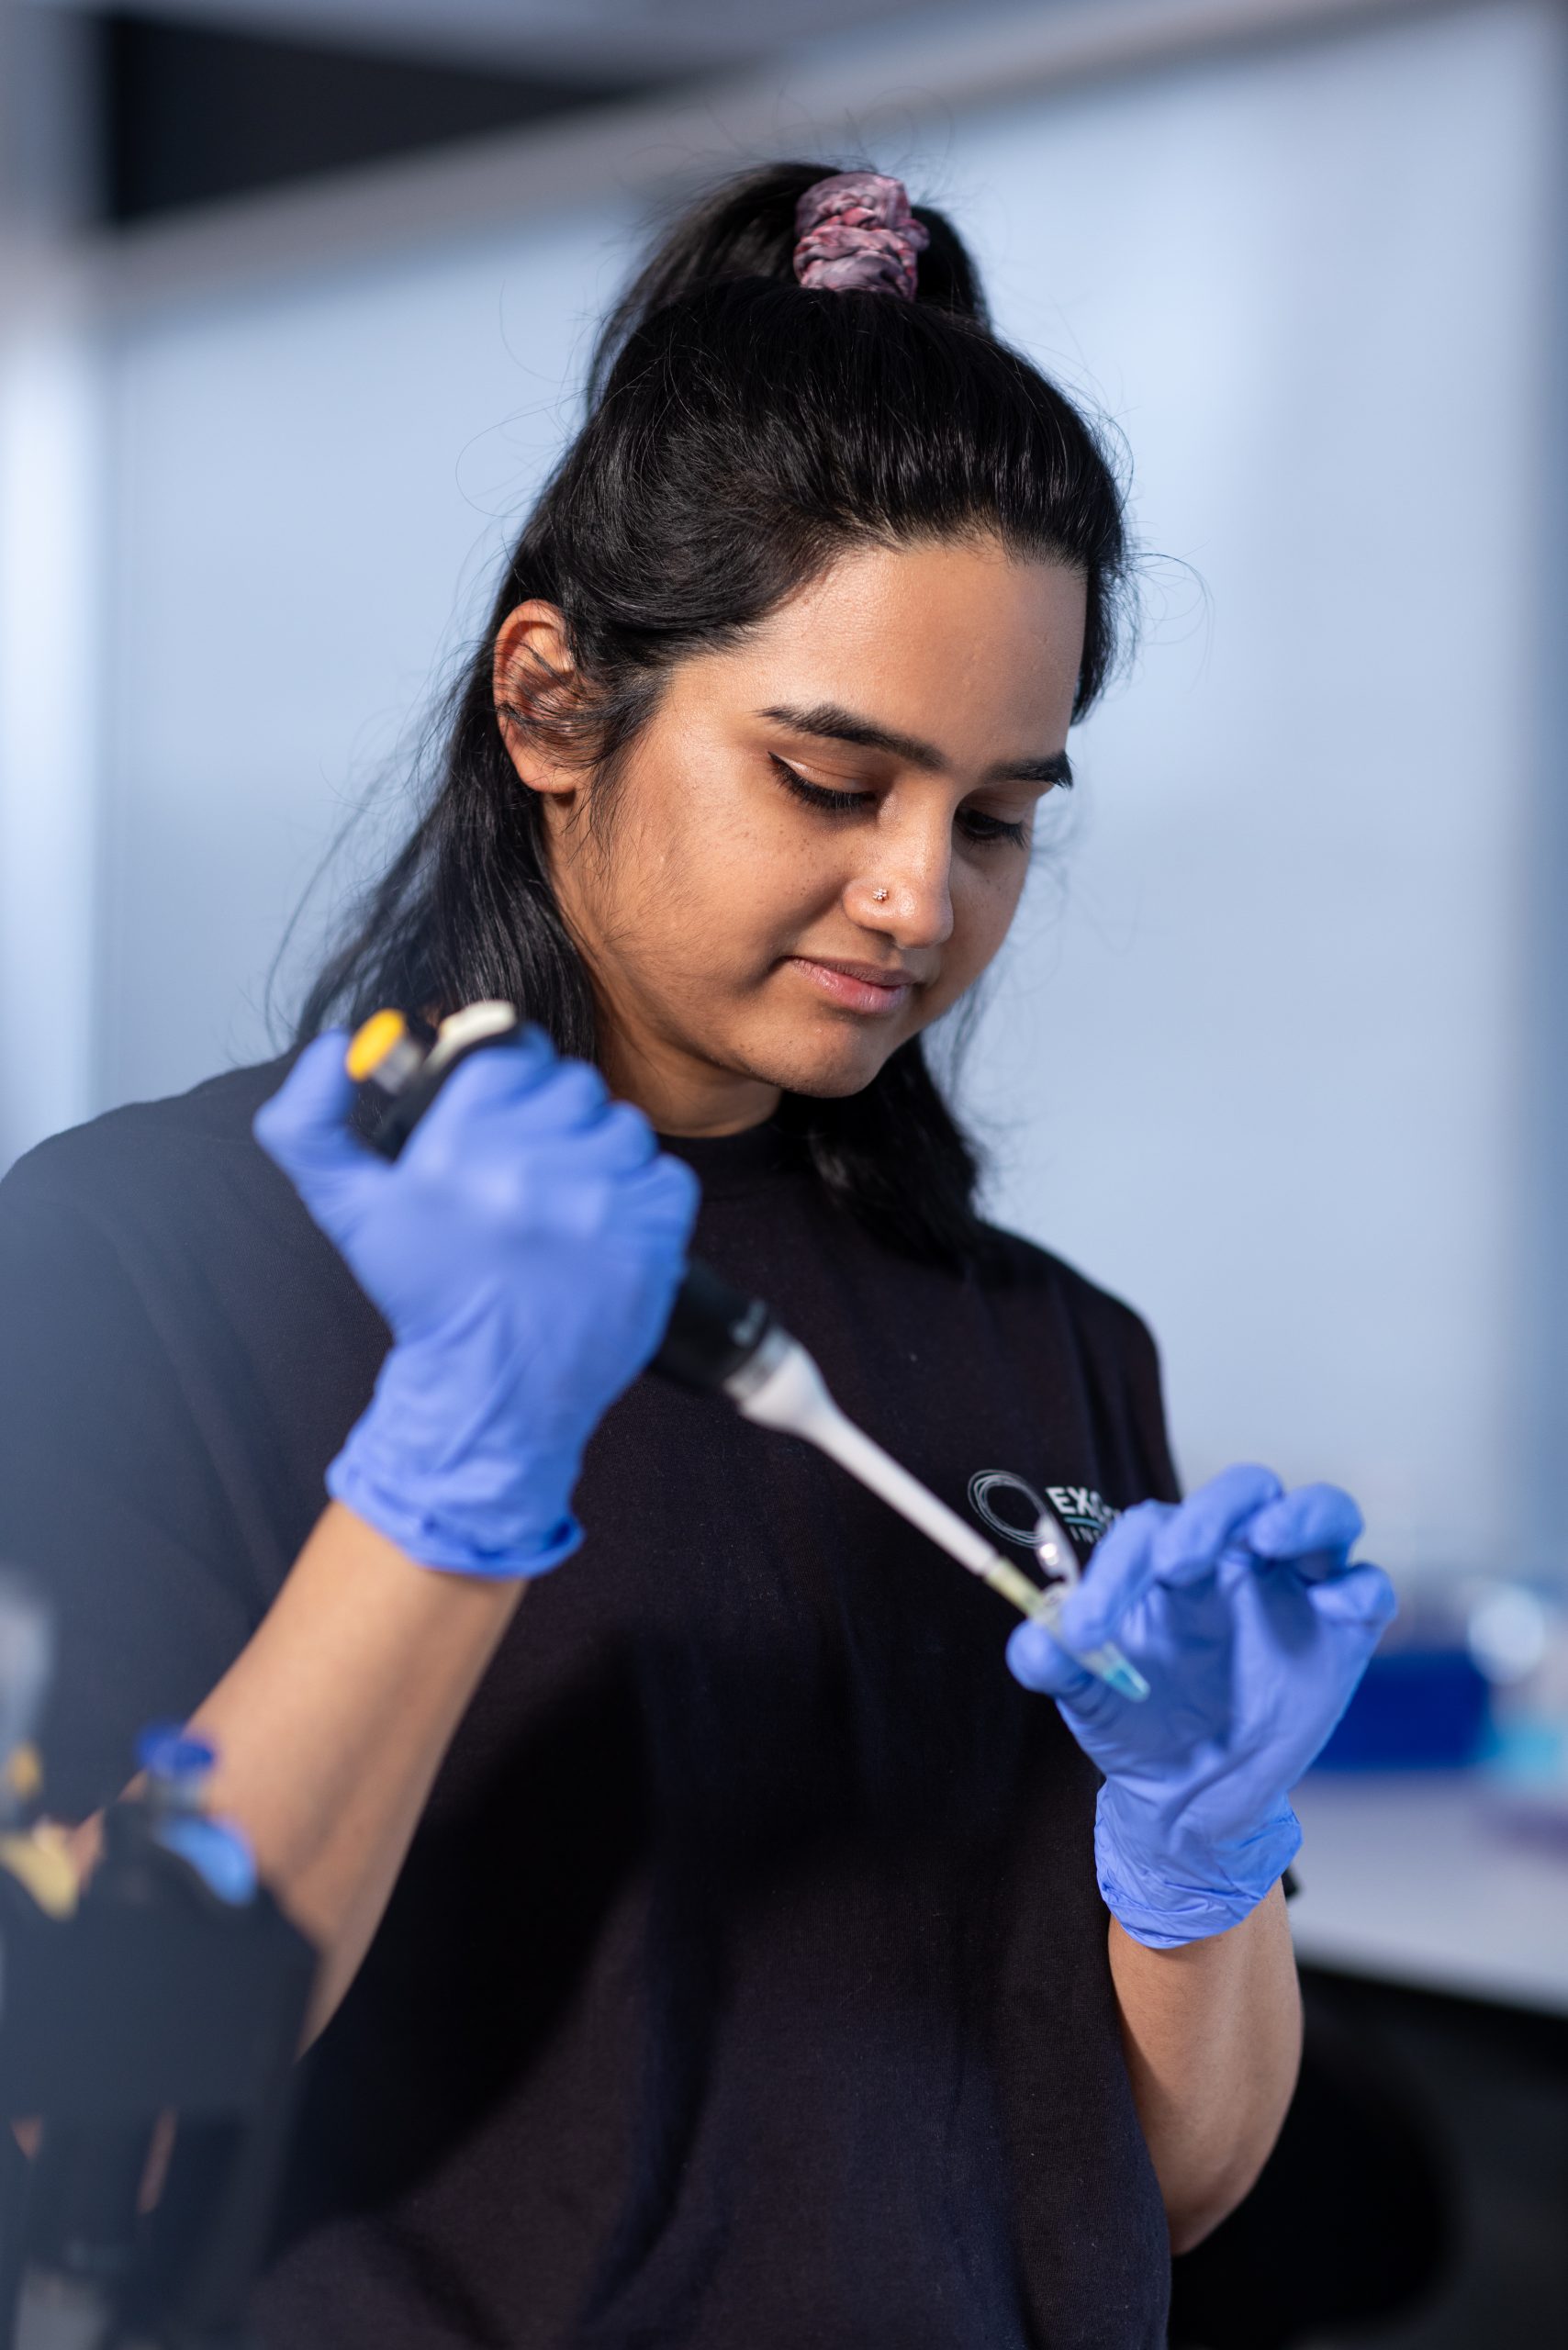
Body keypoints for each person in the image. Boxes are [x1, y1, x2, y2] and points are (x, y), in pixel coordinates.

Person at [0, 166, 1394, 2349]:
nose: (919, 898)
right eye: (830, 778)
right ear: (552, 706)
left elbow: (1164, 2183)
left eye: (996, 815)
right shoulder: (143, 1270)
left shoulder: (1047, 1354)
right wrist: (445, 1466)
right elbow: (78, 2125)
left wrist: (1201, 1844)